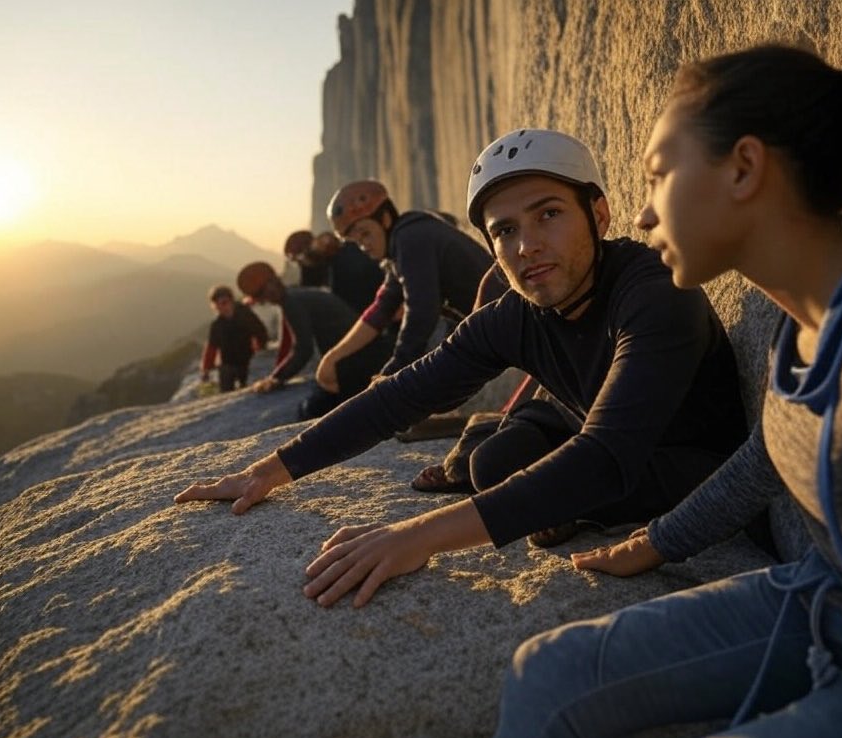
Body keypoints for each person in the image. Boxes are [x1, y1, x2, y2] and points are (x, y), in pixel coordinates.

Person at [480, 30, 842, 738]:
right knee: (547, 670)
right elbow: (770, 450)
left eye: (658, 175)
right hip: (821, 602)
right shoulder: (803, 324)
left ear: (743, 169)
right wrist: (655, 543)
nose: (640, 217)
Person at [175, 128, 752, 603]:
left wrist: (416, 537)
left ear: (598, 214)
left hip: (685, 461)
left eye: (548, 214)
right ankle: (549, 494)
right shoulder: (516, 314)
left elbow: (604, 455)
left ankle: (567, 505)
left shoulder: (652, 291)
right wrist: (270, 471)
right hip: (591, 427)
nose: (527, 246)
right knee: (492, 460)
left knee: (551, 473)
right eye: (505, 230)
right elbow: (400, 396)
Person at [313, 180, 497, 395]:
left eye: (365, 234)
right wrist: (333, 356)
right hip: (485, 325)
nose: (364, 246)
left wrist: (392, 373)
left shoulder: (411, 237)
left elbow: (421, 311)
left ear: (384, 218)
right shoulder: (400, 247)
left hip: (498, 326)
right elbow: (380, 309)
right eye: (356, 241)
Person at [236, 262, 389, 419]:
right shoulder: (297, 296)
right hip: (364, 356)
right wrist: (277, 375)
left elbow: (303, 349)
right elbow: (292, 344)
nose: (269, 293)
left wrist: (277, 378)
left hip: (354, 365)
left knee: (309, 411)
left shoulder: (292, 303)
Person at [199, 285, 268, 393]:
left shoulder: (245, 314)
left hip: (247, 360)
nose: (221, 307)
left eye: (224, 303)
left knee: (249, 392)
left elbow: (260, 332)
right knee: (226, 393)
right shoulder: (217, 324)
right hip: (227, 364)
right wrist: (206, 369)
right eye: (217, 305)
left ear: (232, 301)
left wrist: (260, 349)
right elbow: (212, 347)